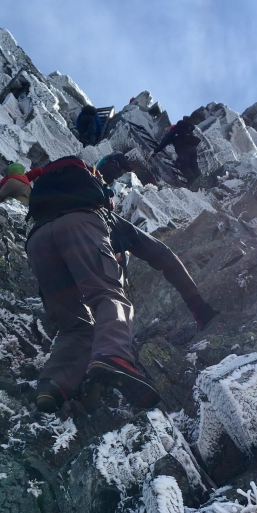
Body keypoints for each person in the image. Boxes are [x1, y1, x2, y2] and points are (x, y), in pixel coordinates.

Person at [24, 156, 218, 414]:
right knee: (109, 296)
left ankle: (52, 385)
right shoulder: (100, 215)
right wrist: (198, 306)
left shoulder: (47, 209)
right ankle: (113, 355)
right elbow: (162, 255)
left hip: (36, 241)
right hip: (80, 226)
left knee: (75, 325)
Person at [153, 116, 201, 183]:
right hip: (193, 150)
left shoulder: (174, 131)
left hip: (183, 150)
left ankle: (193, 182)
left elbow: (165, 141)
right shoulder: (186, 130)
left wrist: (156, 150)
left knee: (183, 165)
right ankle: (202, 180)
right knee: (194, 166)